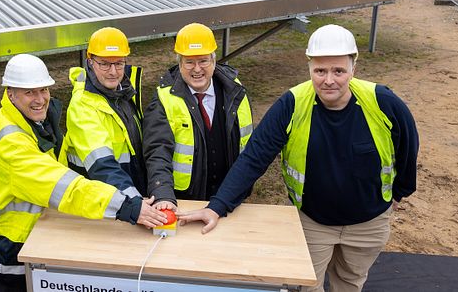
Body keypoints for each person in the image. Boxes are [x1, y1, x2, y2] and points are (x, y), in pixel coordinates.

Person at [178, 24, 419, 292]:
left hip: (368, 224)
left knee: (350, 282)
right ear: (310, 69)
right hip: (313, 222)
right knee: (306, 287)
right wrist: (217, 206)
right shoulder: (292, 104)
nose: (329, 80)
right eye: (320, 71)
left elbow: (408, 147)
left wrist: (401, 191)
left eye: (338, 71)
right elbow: (255, 156)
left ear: (354, 69)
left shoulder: (383, 102)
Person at [0, 54, 167, 292]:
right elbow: (64, 186)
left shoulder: (31, 121)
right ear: (10, 94)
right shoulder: (11, 143)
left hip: (33, 233)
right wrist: (127, 206)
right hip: (10, 247)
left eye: (43, 90)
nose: (40, 99)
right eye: (29, 92)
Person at [143, 22, 253, 211]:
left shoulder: (234, 90)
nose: (197, 69)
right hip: (186, 200)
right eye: (189, 62)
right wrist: (163, 194)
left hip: (230, 196)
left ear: (214, 60)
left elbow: (248, 142)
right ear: (179, 63)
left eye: (203, 61)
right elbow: (157, 152)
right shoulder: (164, 99)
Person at [62, 27, 147, 198]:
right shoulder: (82, 105)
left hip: (124, 194)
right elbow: (102, 165)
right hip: (100, 200)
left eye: (118, 63)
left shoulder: (123, 92)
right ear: (90, 61)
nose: (113, 72)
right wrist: (135, 201)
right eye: (105, 64)